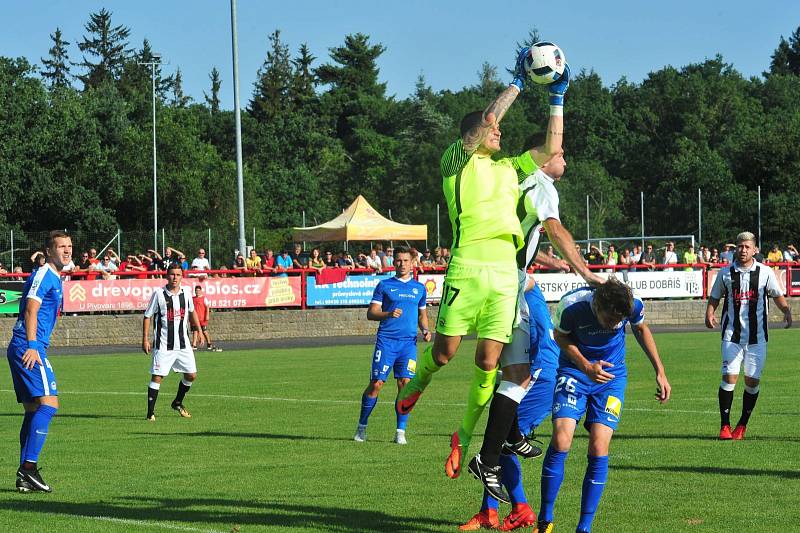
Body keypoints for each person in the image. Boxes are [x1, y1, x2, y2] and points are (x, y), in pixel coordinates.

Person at [397, 50, 582, 484]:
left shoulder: (510, 169)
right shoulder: (454, 164)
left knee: (489, 362)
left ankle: (462, 438)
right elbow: (482, 123)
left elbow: (552, 147)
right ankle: (416, 386)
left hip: (504, 276)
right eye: (493, 128)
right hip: (466, 269)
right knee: (444, 354)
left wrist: (558, 96)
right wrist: (516, 84)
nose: (499, 131)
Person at [468, 126, 605, 498]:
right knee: (520, 375)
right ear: (544, 154)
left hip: (484, 275)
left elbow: (524, 235)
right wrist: (586, 272)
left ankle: (508, 439)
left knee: (512, 372)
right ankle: (489, 457)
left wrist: (541, 260)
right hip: (505, 285)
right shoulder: (542, 185)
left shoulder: (510, 177)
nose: (564, 159)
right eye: (560, 153)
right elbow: (555, 229)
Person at [534, 278, 671, 533]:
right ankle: (545, 519)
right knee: (562, 440)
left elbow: (641, 330)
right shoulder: (572, 305)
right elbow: (560, 337)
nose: (615, 325)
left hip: (612, 379)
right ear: (597, 305)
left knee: (599, 446)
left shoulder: (631, 305)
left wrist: (660, 371)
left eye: (619, 321)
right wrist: (586, 366)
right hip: (575, 372)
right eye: (610, 320)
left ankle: (584, 528)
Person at [460, 280, 559, 531]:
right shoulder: (526, 289)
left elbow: (533, 339)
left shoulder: (516, 284)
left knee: (503, 440)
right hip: (534, 370)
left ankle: (513, 510)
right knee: (503, 440)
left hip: (538, 374)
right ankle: (498, 510)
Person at [705, 231, 792, 440]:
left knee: (752, 382)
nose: (743, 250)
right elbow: (715, 296)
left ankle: (742, 425)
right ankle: (724, 426)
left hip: (757, 337)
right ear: (736, 248)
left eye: (747, 247)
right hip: (731, 335)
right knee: (729, 377)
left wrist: (787, 311)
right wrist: (709, 312)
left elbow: (777, 295)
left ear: (754, 249)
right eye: (740, 246)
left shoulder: (765, 272)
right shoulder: (726, 273)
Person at [7, 230, 72, 493]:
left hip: (25, 346)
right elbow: (31, 308)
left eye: (69, 246)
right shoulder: (45, 274)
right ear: (48, 251)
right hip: (27, 346)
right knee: (49, 405)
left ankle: (25, 475)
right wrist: (34, 346)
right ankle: (29, 468)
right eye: (60, 247)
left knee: (33, 410)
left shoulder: (55, 276)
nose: (66, 251)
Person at [354, 247, 431, 445]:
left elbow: (422, 315)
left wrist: (425, 330)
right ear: (393, 262)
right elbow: (371, 313)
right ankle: (362, 426)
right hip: (386, 342)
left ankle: (400, 431)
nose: (402, 264)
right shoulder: (384, 285)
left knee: (405, 385)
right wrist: (388, 314)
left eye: (406, 260)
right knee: (377, 384)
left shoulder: (419, 288)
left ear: (412, 262)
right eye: (398, 260)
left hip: (408, 344)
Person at [142, 264, 202, 421]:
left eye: (178, 274)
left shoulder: (186, 293)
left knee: (191, 375)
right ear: (167, 276)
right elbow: (147, 316)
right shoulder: (159, 294)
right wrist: (145, 339)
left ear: (182, 276)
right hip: (163, 345)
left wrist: (199, 330)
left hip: (183, 344)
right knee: (157, 377)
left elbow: (192, 311)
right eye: (172, 274)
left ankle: (177, 402)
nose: (175, 277)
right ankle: (150, 413)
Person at [191, 285, 221, 352]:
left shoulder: (204, 298)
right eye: (196, 290)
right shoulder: (192, 298)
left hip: (202, 318)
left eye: (199, 290)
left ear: (201, 291)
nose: (197, 292)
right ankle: (194, 344)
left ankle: (209, 343)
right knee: (195, 331)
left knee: (204, 331)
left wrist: (207, 315)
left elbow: (207, 307)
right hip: (195, 318)